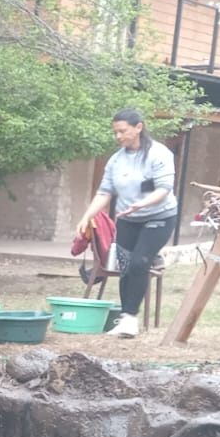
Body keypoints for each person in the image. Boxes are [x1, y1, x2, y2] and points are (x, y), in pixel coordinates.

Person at [72, 107, 178, 338]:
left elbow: (164, 189)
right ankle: (125, 319)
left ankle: (130, 319)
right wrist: (86, 216)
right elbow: (104, 192)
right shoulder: (116, 160)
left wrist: (142, 204)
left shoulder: (159, 154)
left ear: (138, 127)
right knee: (127, 265)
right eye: (115, 132)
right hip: (127, 218)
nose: (118, 136)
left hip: (159, 216)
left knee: (140, 262)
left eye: (122, 131)